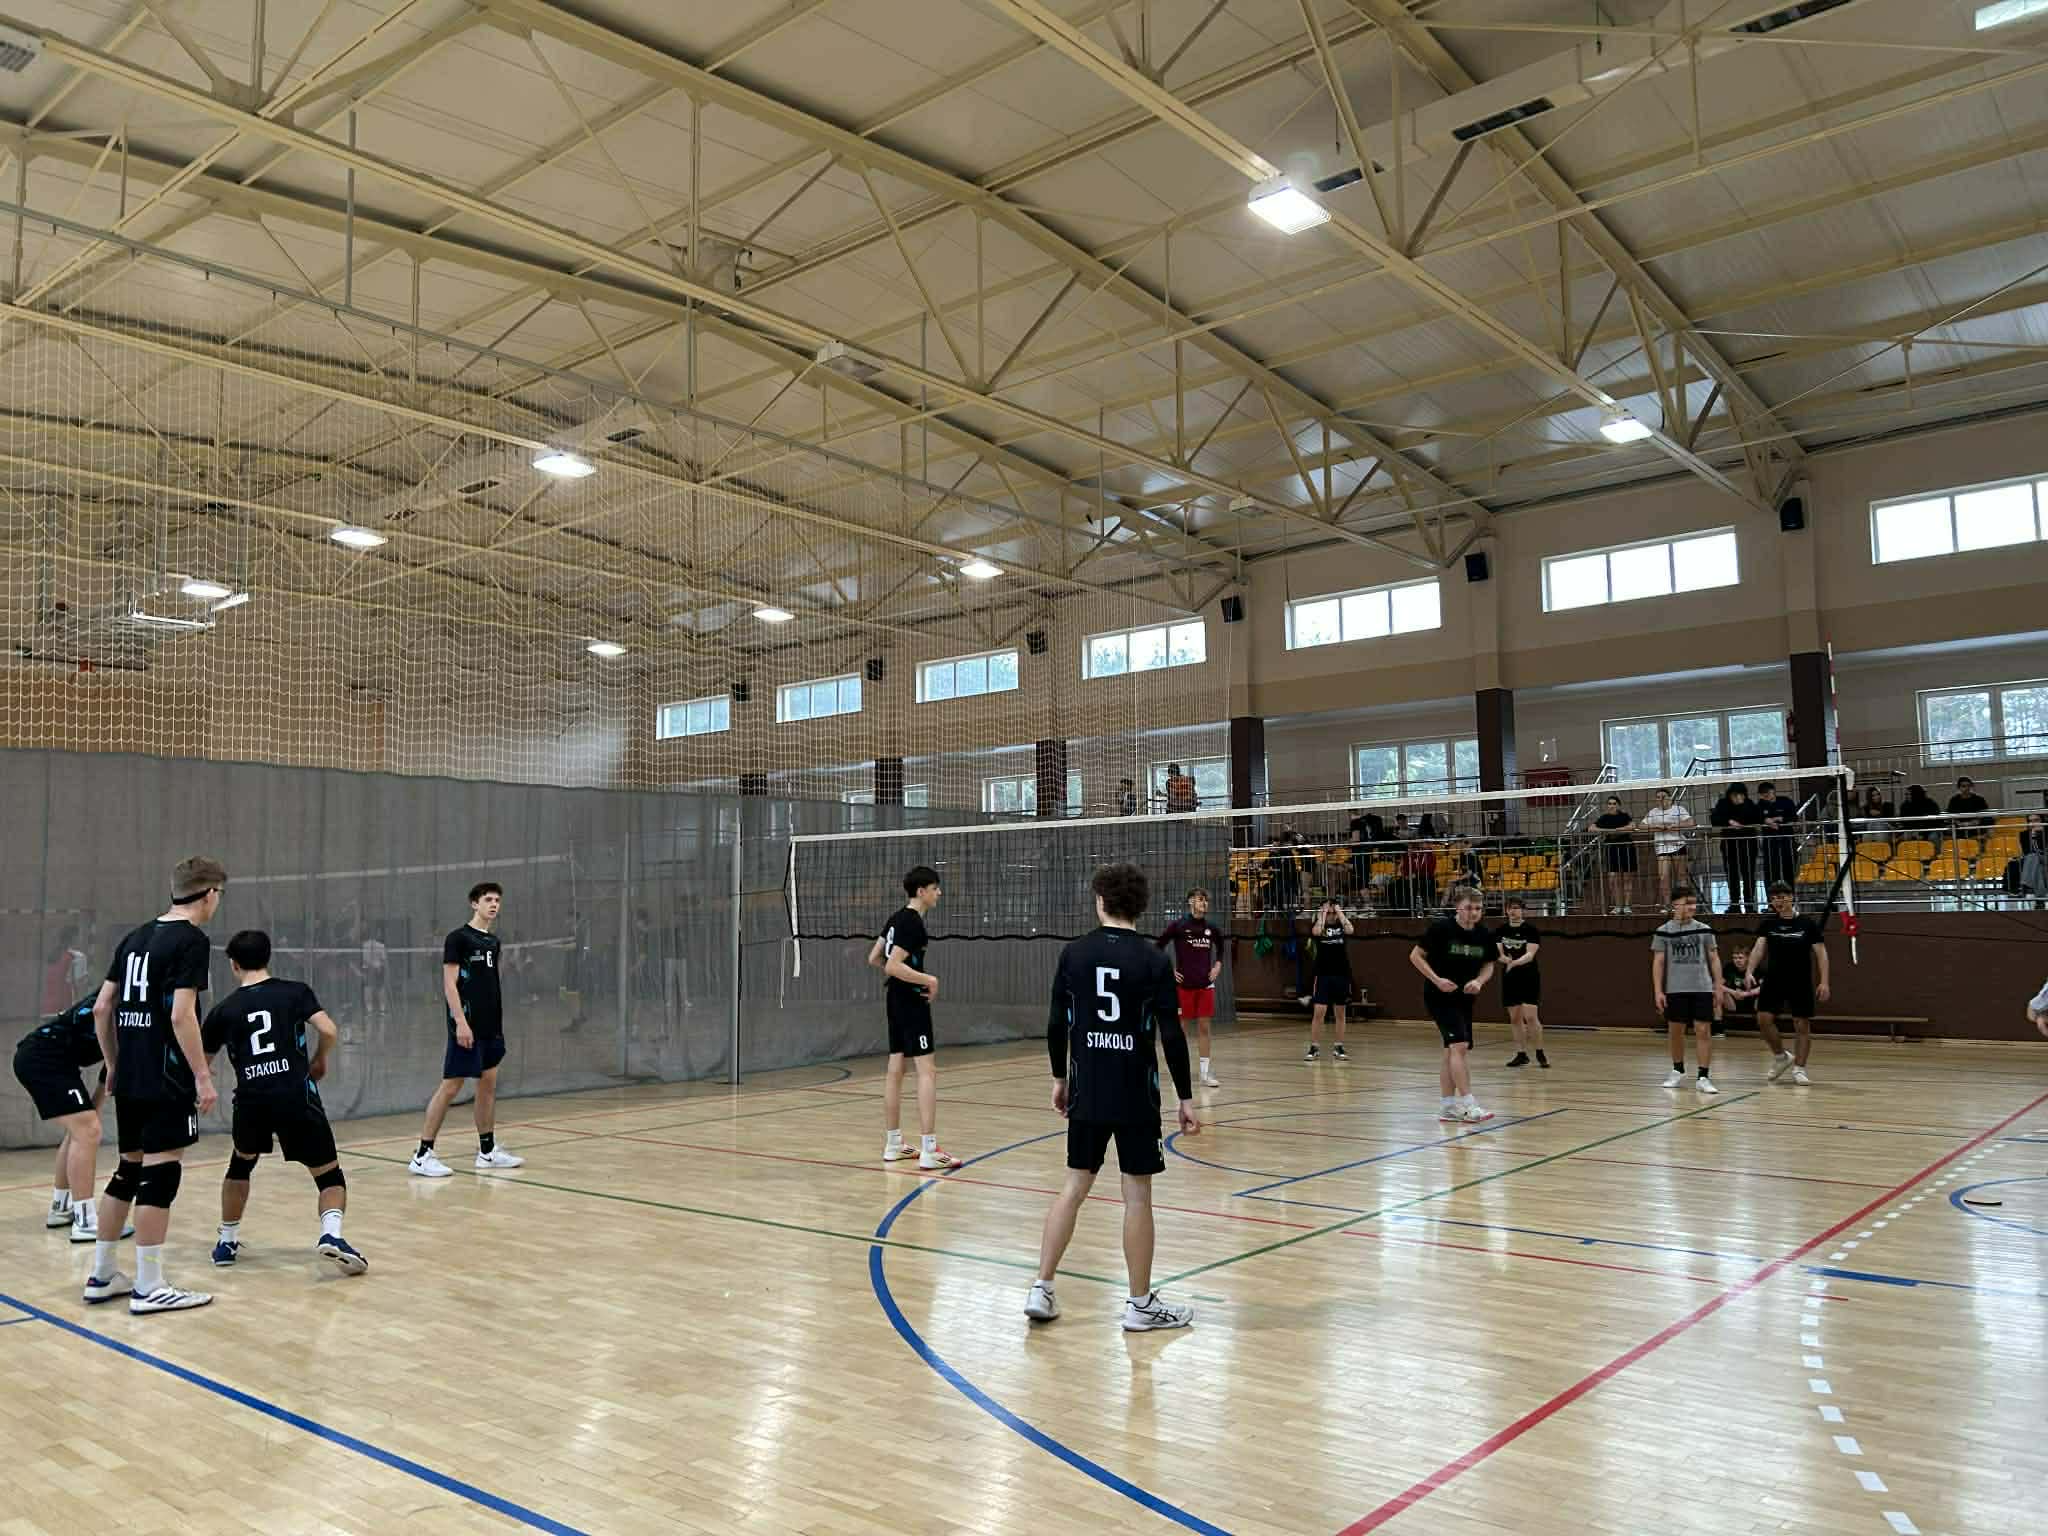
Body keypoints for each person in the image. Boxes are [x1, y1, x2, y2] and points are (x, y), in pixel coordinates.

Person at [1025, 861, 1199, 1331]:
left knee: (1074, 1185)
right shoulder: (1154, 960)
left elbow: (1056, 1023)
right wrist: (1185, 1097)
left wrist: (1059, 1078)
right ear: (1140, 907)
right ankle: (1140, 1305)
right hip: (1136, 1093)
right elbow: (1171, 1034)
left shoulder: (1075, 954)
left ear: (1100, 901)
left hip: (1088, 1087)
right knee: (1137, 1194)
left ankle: (1042, 1288)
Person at [84, 856, 226, 1314]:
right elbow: (181, 1015)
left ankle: (102, 1275)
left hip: (131, 1075)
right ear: (210, 895)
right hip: (167, 1076)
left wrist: (113, 1064)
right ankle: (149, 1286)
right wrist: (202, 1076)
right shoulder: (192, 941)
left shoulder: (135, 936)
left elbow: (102, 1008)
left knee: (128, 1169)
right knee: (161, 1173)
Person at [202, 930, 367, 1276]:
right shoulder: (295, 992)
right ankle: (331, 1235)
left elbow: (203, 1062)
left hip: (251, 1101)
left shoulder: (224, 1010)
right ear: (268, 957)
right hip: (295, 1095)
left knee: (240, 1165)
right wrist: (320, 1059)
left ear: (233, 964)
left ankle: (227, 1241)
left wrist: (204, 1081)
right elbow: (329, 1030)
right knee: (328, 1175)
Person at [409, 882, 524, 1177]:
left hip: (491, 1027)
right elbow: (450, 984)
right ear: (475, 904)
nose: (494, 904)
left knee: (487, 1086)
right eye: (488, 899)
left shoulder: (493, 942)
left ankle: (487, 1152)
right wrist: (460, 1022)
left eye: (497, 900)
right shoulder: (458, 939)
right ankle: (422, 1155)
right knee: (452, 1086)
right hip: (467, 1025)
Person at [867, 865, 959, 1171]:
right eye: (935, 888)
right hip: (911, 1001)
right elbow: (892, 965)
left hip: (894, 999)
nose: (939, 893)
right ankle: (930, 1149)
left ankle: (894, 1144)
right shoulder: (913, 923)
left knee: (895, 1069)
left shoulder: (895, 918)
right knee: (927, 1071)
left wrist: (905, 976)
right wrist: (927, 979)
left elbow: (874, 957)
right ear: (921, 892)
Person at [15, 994, 127, 1241]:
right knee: (86, 1131)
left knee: (83, 1130)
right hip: (42, 1057)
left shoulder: (135, 1007)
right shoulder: (122, 994)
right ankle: (85, 1222)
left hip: (54, 1061)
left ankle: (61, 1208)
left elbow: (113, 1063)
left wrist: (96, 1105)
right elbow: (101, 1011)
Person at [1410, 886, 1495, 1123]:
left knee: (1452, 1050)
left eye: (1478, 908)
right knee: (1459, 1046)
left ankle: (1447, 1107)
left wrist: (1479, 981)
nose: (1474, 913)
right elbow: (1415, 956)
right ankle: (1470, 1105)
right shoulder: (1441, 929)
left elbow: (1489, 964)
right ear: (1457, 907)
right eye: (1469, 908)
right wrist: (1437, 980)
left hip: (1465, 999)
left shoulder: (1484, 934)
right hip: (1439, 996)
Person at [1743, 881, 1830, 1087]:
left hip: (1800, 980)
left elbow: (1821, 954)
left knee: (1801, 1024)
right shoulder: (1768, 924)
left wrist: (1824, 982)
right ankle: (1781, 1057)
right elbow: (1758, 949)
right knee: (1763, 1019)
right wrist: (1749, 971)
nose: (1778, 901)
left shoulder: (1807, 924)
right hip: (1774, 979)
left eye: (1782, 897)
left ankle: (1799, 1068)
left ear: (1791, 897)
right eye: (1774, 898)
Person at [1652, 886, 1730, 1094]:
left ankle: (1703, 1076)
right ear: (1675, 905)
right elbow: (1658, 962)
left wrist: (1718, 985)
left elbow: (1714, 958)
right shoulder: (1663, 930)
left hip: (1702, 987)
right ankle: (1678, 1070)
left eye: (1694, 903)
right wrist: (1658, 991)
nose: (1692, 907)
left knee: (1703, 1030)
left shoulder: (1704, 929)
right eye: (1687, 903)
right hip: (1675, 989)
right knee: (1676, 1031)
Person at [1157, 887, 1225, 1087]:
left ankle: (1205, 1073)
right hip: (1183, 987)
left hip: (1205, 986)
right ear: (1190, 902)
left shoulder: (1211, 928)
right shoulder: (1178, 925)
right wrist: (1169, 971)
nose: (1204, 903)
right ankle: (1179, 1072)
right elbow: (1158, 947)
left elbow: (1221, 948)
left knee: (1204, 1027)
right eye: (1200, 899)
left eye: (1206, 900)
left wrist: (1218, 965)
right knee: (1181, 1030)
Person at [1496, 897, 1547, 1069]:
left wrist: (1515, 963)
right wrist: (1506, 960)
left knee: (1531, 1017)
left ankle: (1539, 1052)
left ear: (1522, 910)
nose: (1513, 911)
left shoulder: (1530, 930)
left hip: (1528, 976)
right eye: (1510, 908)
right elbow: (1498, 953)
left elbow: (1530, 954)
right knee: (1515, 1018)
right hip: (1510, 977)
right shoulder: (1501, 930)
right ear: (1506, 910)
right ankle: (1521, 1054)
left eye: (1517, 908)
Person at [1304, 899, 1355, 1064]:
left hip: (1341, 974)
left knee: (1340, 1012)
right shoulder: (1319, 925)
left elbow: (1350, 930)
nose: (1331, 916)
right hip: (1323, 974)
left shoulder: (1342, 925)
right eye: (1329, 913)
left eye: (1334, 913)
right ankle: (1314, 1047)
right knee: (1319, 1012)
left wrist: (1339, 912)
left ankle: (1339, 1047)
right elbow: (1316, 932)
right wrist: (1323, 912)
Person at [1710, 783, 1764, 914]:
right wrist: (1729, 821)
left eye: (1741, 795)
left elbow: (1758, 817)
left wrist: (1742, 805)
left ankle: (1749, 904)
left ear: (1744, 795)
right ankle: (1735, 904)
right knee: (1731, 874)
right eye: (1735, 795)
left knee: (1748, 873)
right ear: (1730, 795)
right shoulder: (1723, 803)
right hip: (1729, 844)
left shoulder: (1749, 803)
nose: (1738, 797)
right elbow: (1714, 819)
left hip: (1748, 844)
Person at [1640, 787, 1695, 908]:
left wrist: (1674, 825)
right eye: (1658, 797)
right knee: (1663, 877)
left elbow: (1690, 822)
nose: (1661, 799)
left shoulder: (1678, 809)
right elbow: (1641, 826)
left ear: (1669, 798)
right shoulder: (1653, 812)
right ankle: (1667, 905)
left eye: (1663, 797)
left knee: (1681, 877)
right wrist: (1657, 826)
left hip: (1678, 846)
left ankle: (1682, 905)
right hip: (1662, 848)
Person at [1593, 794, 1638, 914]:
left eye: (1614, 804)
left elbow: (1632, 826)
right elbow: (1591, 828)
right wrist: (1608, 831)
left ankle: (1627, 906)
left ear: (1618, 805)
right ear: (1607, 806)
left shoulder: (1624, 816)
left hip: (1626, 848)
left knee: (1627, 878)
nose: (1612, 806)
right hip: (1611, 849)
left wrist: (1617, 830)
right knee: (1614, 880)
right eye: (1609, 804)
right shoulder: (1604, 818)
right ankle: (1618, 906)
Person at [1756, 780, 1801, 891]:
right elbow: (1754, 816)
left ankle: (1790, 897)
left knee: (1789, 870)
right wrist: (1765, 820)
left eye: (1768, 794)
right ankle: (1771, 898)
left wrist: (1780, 818)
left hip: (1787, 840)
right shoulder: (1760, 805)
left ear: (1773, 792)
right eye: (1764, 796)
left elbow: (1794, 817)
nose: (1766, 797)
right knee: (1771, 871)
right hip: (1770, 842)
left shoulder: (1785, 801)